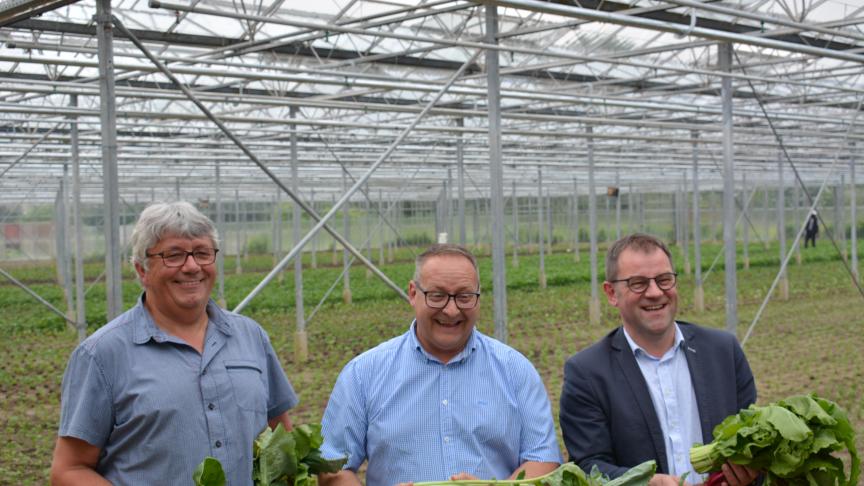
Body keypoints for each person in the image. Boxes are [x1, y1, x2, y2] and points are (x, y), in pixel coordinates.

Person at [50, 201, 298, 485]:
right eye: (174, 255)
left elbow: (280, 436)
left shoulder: (250, 336)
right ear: (142, 270)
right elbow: (68, 470)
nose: (192, 266)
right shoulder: (102, 354)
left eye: (203, 253)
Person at [318, 244, 561, 486]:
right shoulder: (363, 374)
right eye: (437, 296)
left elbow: (543, 459)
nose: (452, 309)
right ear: (413, 294)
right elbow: (332, 470)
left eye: (465, 297)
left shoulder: (515, 370)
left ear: (478, 297)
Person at [559, 234, 759, 486]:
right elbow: (589, 466)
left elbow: (752, 436)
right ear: (611, 293)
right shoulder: (587, 373)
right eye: (638, 283)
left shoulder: (724, 352)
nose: (655, 293)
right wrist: (643, 482)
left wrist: (750, 471)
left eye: (664, 280)